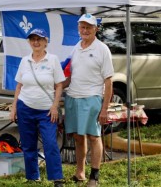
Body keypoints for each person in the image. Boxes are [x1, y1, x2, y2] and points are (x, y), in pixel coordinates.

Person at [63, 14, 114, 187]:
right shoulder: (76, 47)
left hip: (92, 98)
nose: (85, 30)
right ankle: (80, 173)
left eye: (89, 27)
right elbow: (71, 76)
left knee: (94, 136)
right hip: (73, 97)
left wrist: (105, 108)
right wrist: (56, 86)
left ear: (96, 29)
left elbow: (108, 81)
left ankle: (94, 177)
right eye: (82, 27)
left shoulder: (102, 49)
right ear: (78, 28)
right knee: (78, 137)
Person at [10, 28, 64, 187]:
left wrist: (55, 106)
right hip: (25, 107)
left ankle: (57, 178)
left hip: (47, 110)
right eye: (32, 39)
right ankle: (33, 176)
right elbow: (18, 86)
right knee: (28, 144)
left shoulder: (53, 60)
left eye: (39, 39)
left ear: (46, 41)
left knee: (50, 143)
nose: (36, 42)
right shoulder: (24, 61)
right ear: (29, 42)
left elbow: (59, 85)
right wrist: (14, 108)